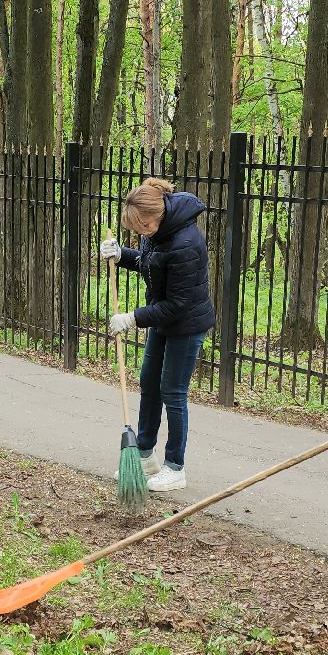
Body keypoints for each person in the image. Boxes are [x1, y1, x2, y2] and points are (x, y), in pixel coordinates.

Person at [98, 177, 213, 494]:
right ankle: (145, 456)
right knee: (149, 383)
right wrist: (122, 254)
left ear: (159, 213)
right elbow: (151, 263)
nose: (143, 233)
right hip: (163, 319)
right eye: (138, 230)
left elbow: (178, 304)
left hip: (186, 324)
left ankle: (175, 467)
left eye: (145, 226)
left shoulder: (186, 243)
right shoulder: (157, 232)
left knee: (172, 392)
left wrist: (133, 318)